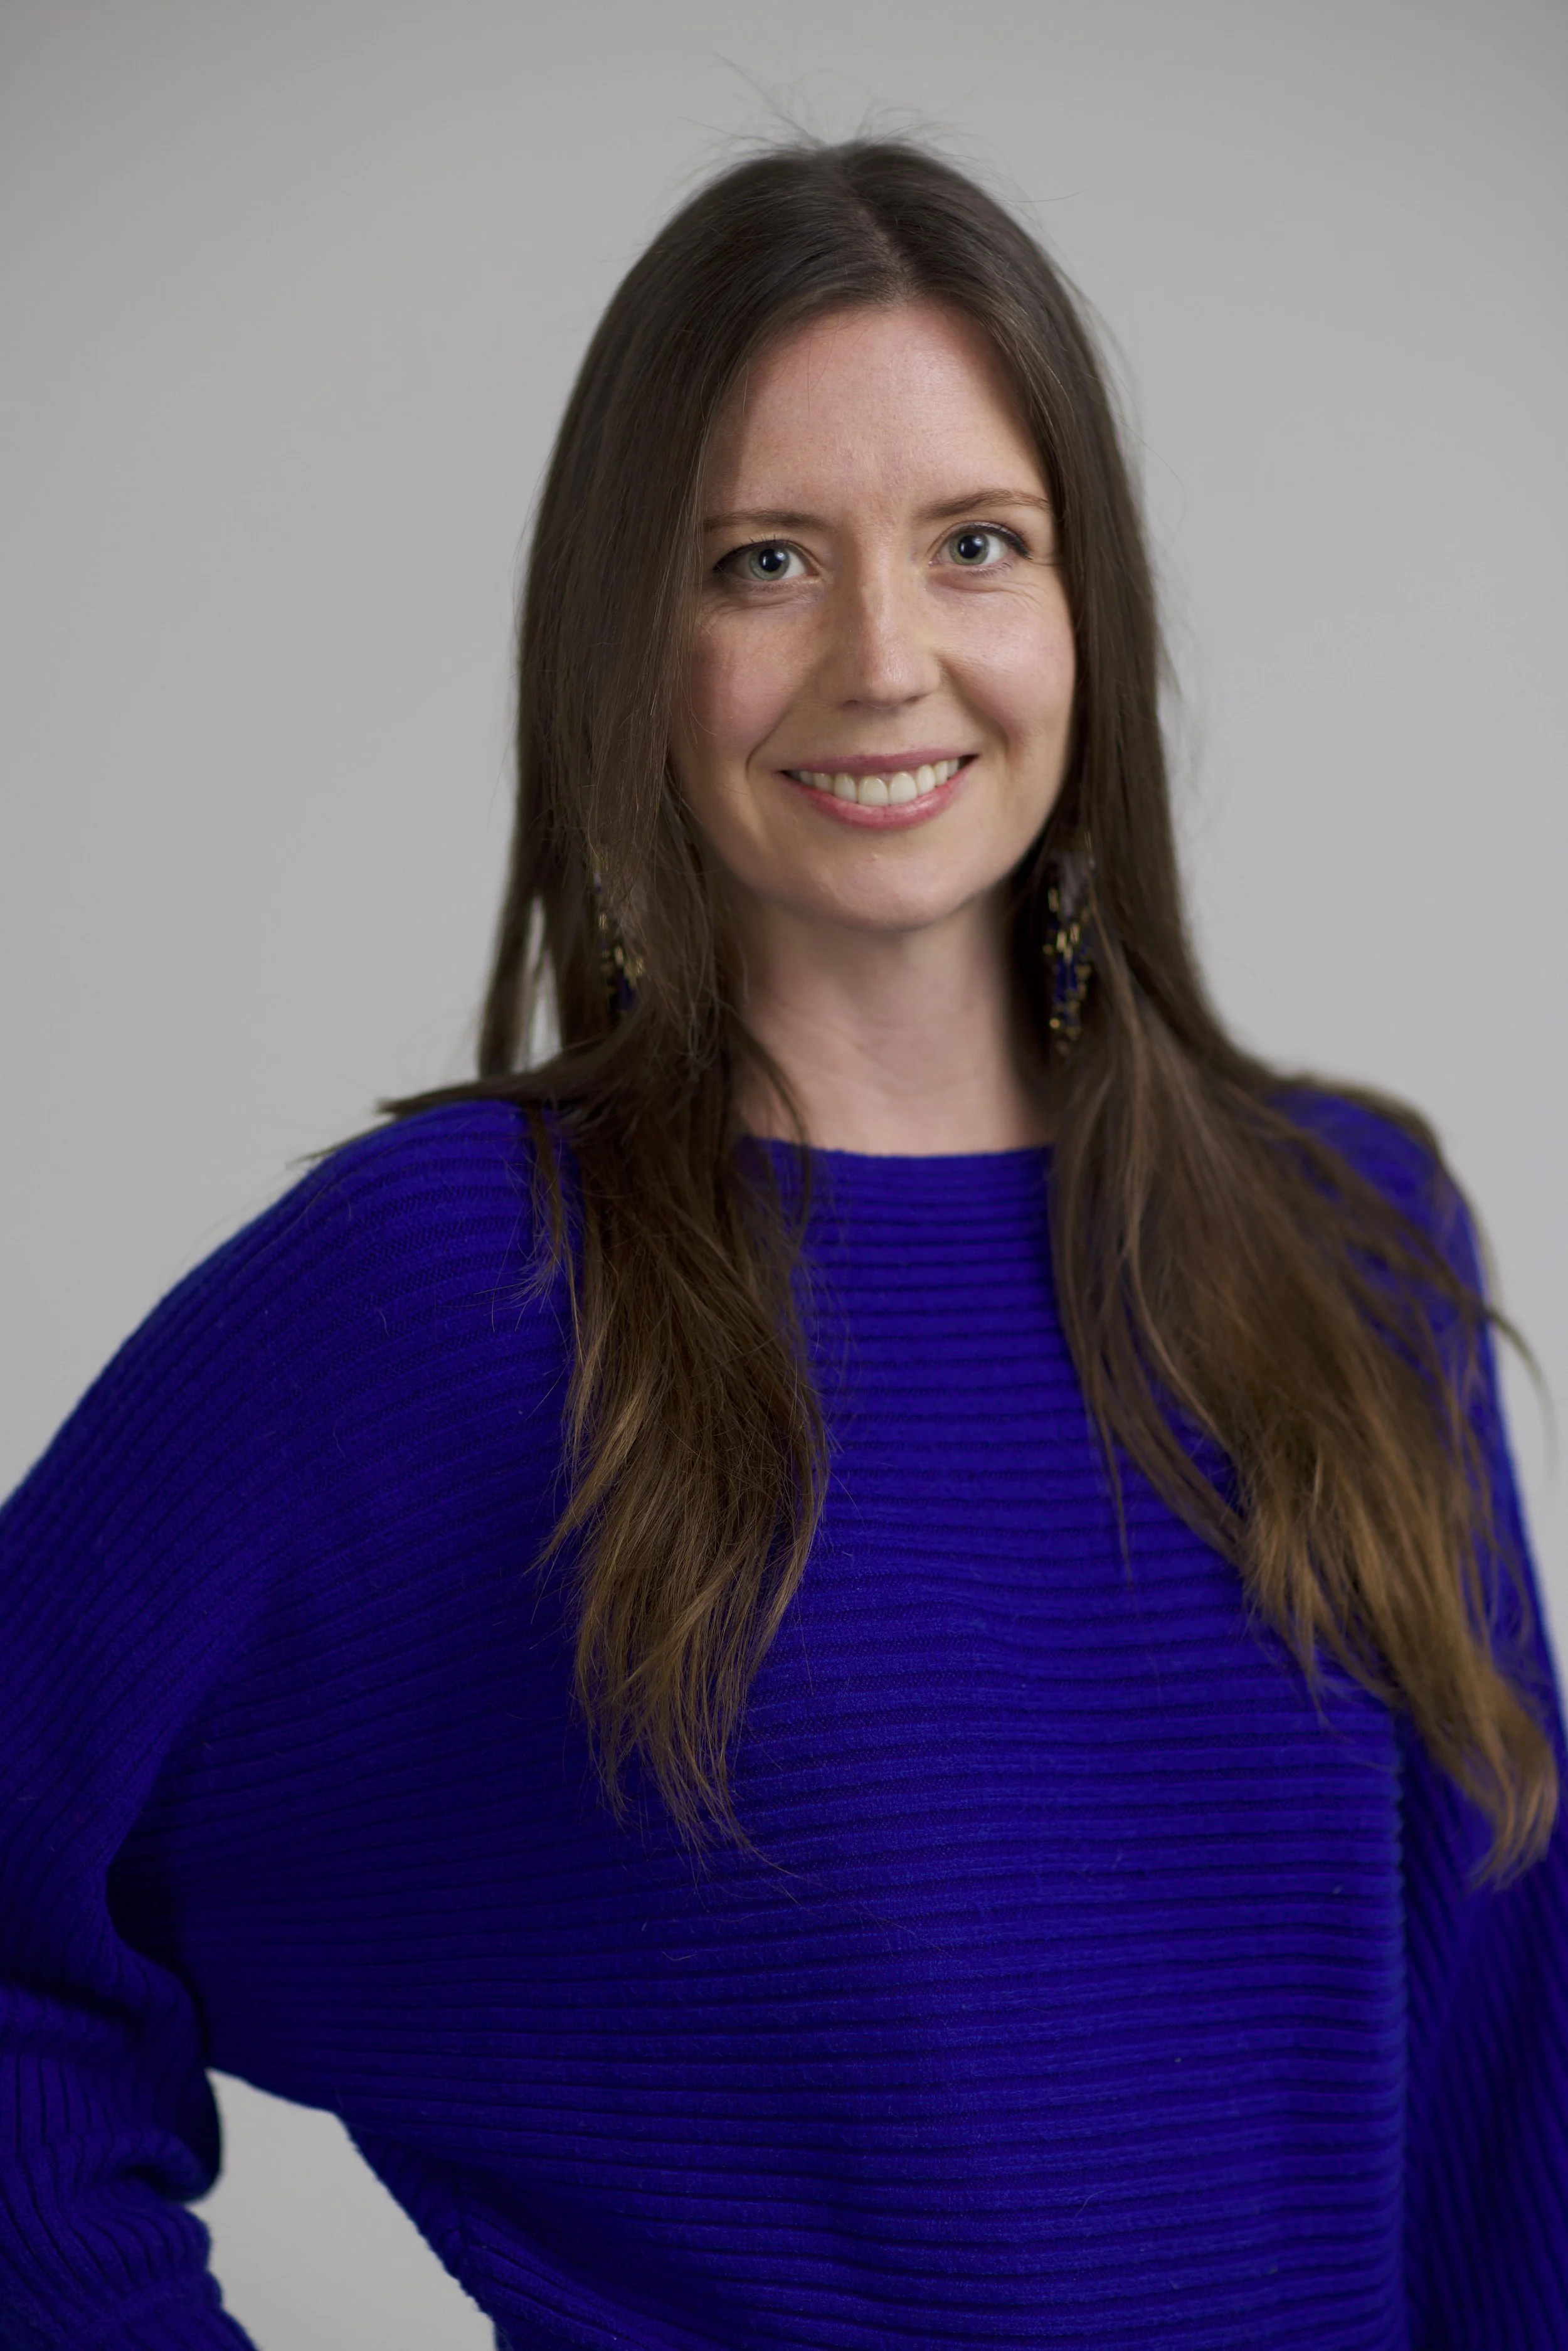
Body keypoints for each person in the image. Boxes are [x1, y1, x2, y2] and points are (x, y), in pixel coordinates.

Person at [0, 138, 1563, 2351]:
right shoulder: (450, 1284)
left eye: (974, 544)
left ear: (1083, 606)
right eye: (764, 562)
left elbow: (1509, 2087)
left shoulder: (1350, 1240)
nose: (884, 658)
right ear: (630, 640)